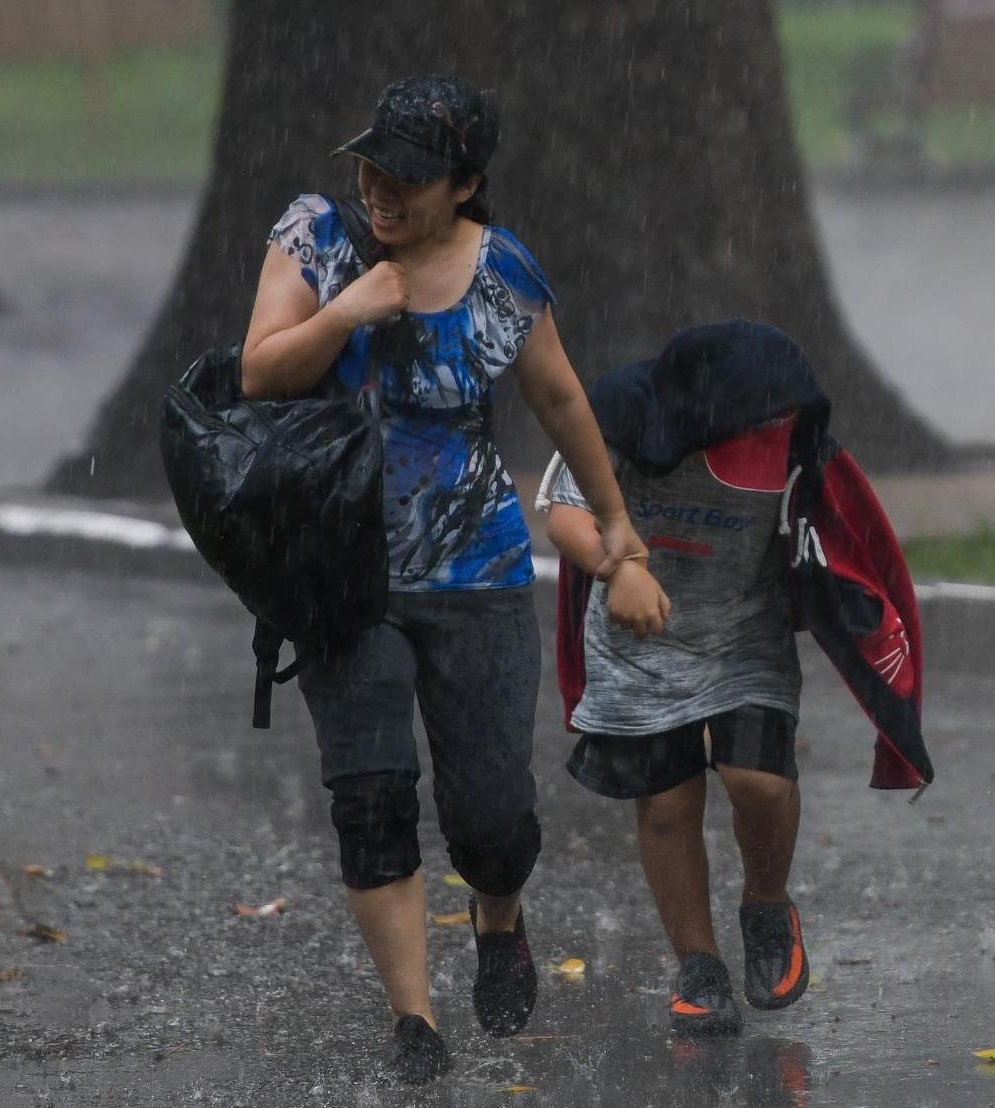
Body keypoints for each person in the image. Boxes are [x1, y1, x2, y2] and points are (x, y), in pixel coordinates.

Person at [239, 73, 667, 1084]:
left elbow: (559, 396)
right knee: (373, 793)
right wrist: (346, 312)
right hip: (342, 573)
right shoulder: (316, 239)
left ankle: (499, 913)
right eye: (372, 164)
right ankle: (415, 1024)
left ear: (466, 184)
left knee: (493, 820)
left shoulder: (503, 273)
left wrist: (616, 530)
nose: (381, 188)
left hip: (477, 573)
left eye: (411, 177)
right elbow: (259, 371)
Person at [539, 320, 933, 1036]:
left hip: (746, 637)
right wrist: (617, 566)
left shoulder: (795, 444)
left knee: (759, 781)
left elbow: (842, 536)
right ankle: (699, 964)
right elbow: (562, 511)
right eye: (761, 417)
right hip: (639, 638)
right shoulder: (621, 416)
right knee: (666, 806)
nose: (775, 427)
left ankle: (767, 905)